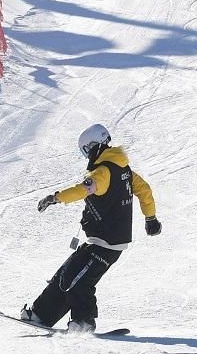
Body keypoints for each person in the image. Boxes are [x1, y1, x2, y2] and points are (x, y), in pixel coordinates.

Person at [21, 124, 162, 332]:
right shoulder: (124, 170)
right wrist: (151, 218)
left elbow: (82, 190)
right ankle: (41, 315)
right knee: (65, 274)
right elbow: (145, 190)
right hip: (101, 241)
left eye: (86, 151)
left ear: (94, 146)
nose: (87, 156)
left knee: (78, 281)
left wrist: (55, 198)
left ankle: (84, 322)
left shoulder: (103, 172)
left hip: (107, 242)